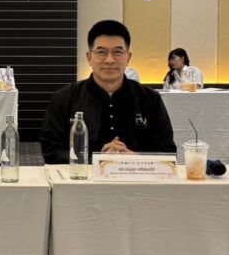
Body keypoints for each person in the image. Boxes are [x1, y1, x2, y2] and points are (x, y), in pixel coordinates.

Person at [40, 20, 176, 163]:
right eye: (101, 52)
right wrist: (96, 160)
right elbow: (51, 151)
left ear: (128, 58)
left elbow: (168, 151)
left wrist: (136, 159)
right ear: (89, 58)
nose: (109, 60)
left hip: (138, 176)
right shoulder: (64, 98)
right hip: (83, 177)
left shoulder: (150, 98)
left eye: (118, 52)